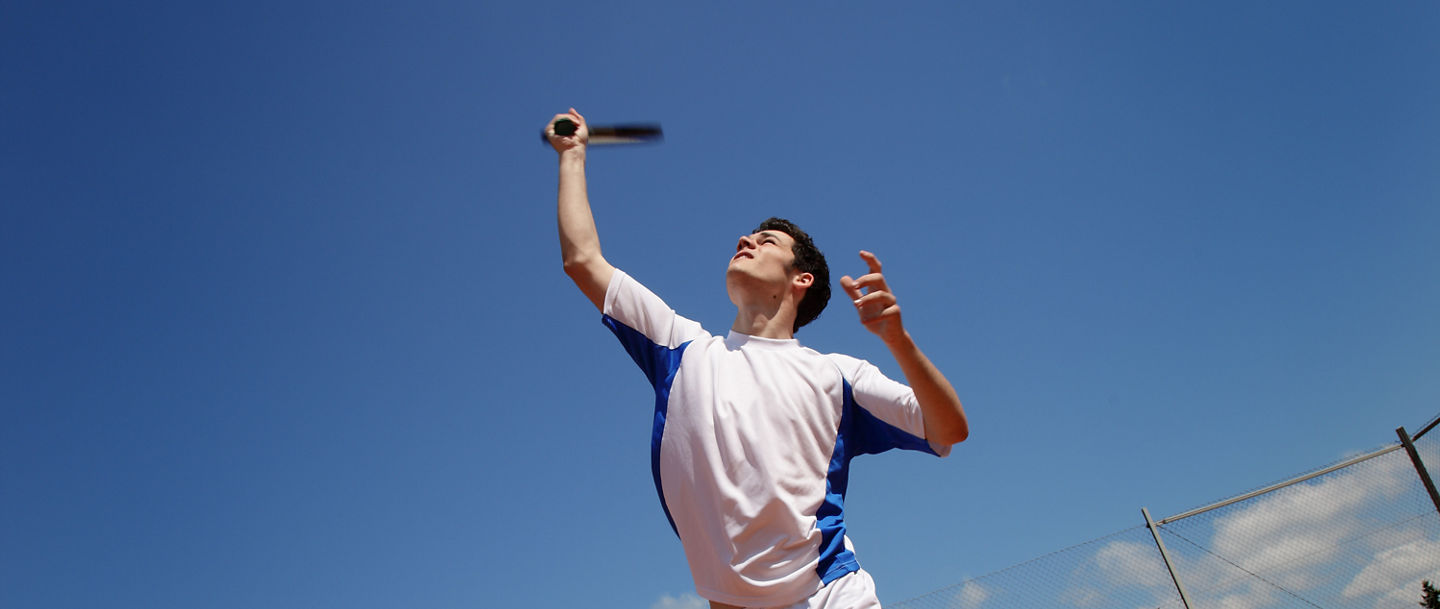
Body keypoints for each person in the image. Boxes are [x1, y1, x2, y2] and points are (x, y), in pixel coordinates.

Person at [546, 108, 969, 609]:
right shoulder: (681, 349)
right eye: (748, 236)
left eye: (766, 241)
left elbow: (948, 430)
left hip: (831, 595)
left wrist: (898, 340)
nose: (745, 240)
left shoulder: (837, 375)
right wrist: (572, 156)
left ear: (800, 280)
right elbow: (583, 261)